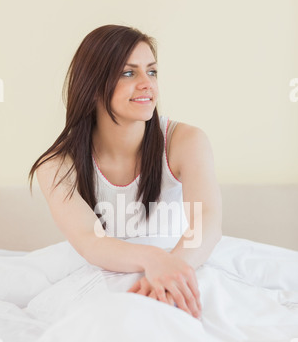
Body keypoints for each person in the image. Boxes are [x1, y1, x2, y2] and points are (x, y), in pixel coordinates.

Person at [29, 25, 222, 320]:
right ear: (93, 86)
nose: (147, 84)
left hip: (188, 261)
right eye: (129, 73)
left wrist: (172, 271)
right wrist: (153, 260)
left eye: (152, 72)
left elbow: (205, 220)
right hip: (105, 275)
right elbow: (91, 240)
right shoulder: (56, 166)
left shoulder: (186, 141)